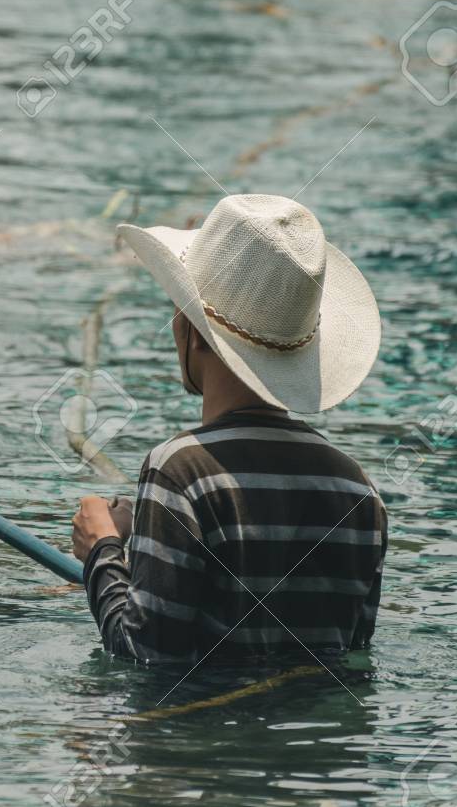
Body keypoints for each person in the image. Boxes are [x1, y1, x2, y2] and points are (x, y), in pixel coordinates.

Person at [72, 194, 387, 663]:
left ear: (191, 331)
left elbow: (145, 653)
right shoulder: (359, 491)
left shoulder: (178, 471)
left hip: (192, 734)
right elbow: (352, 654)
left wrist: (102, 550)